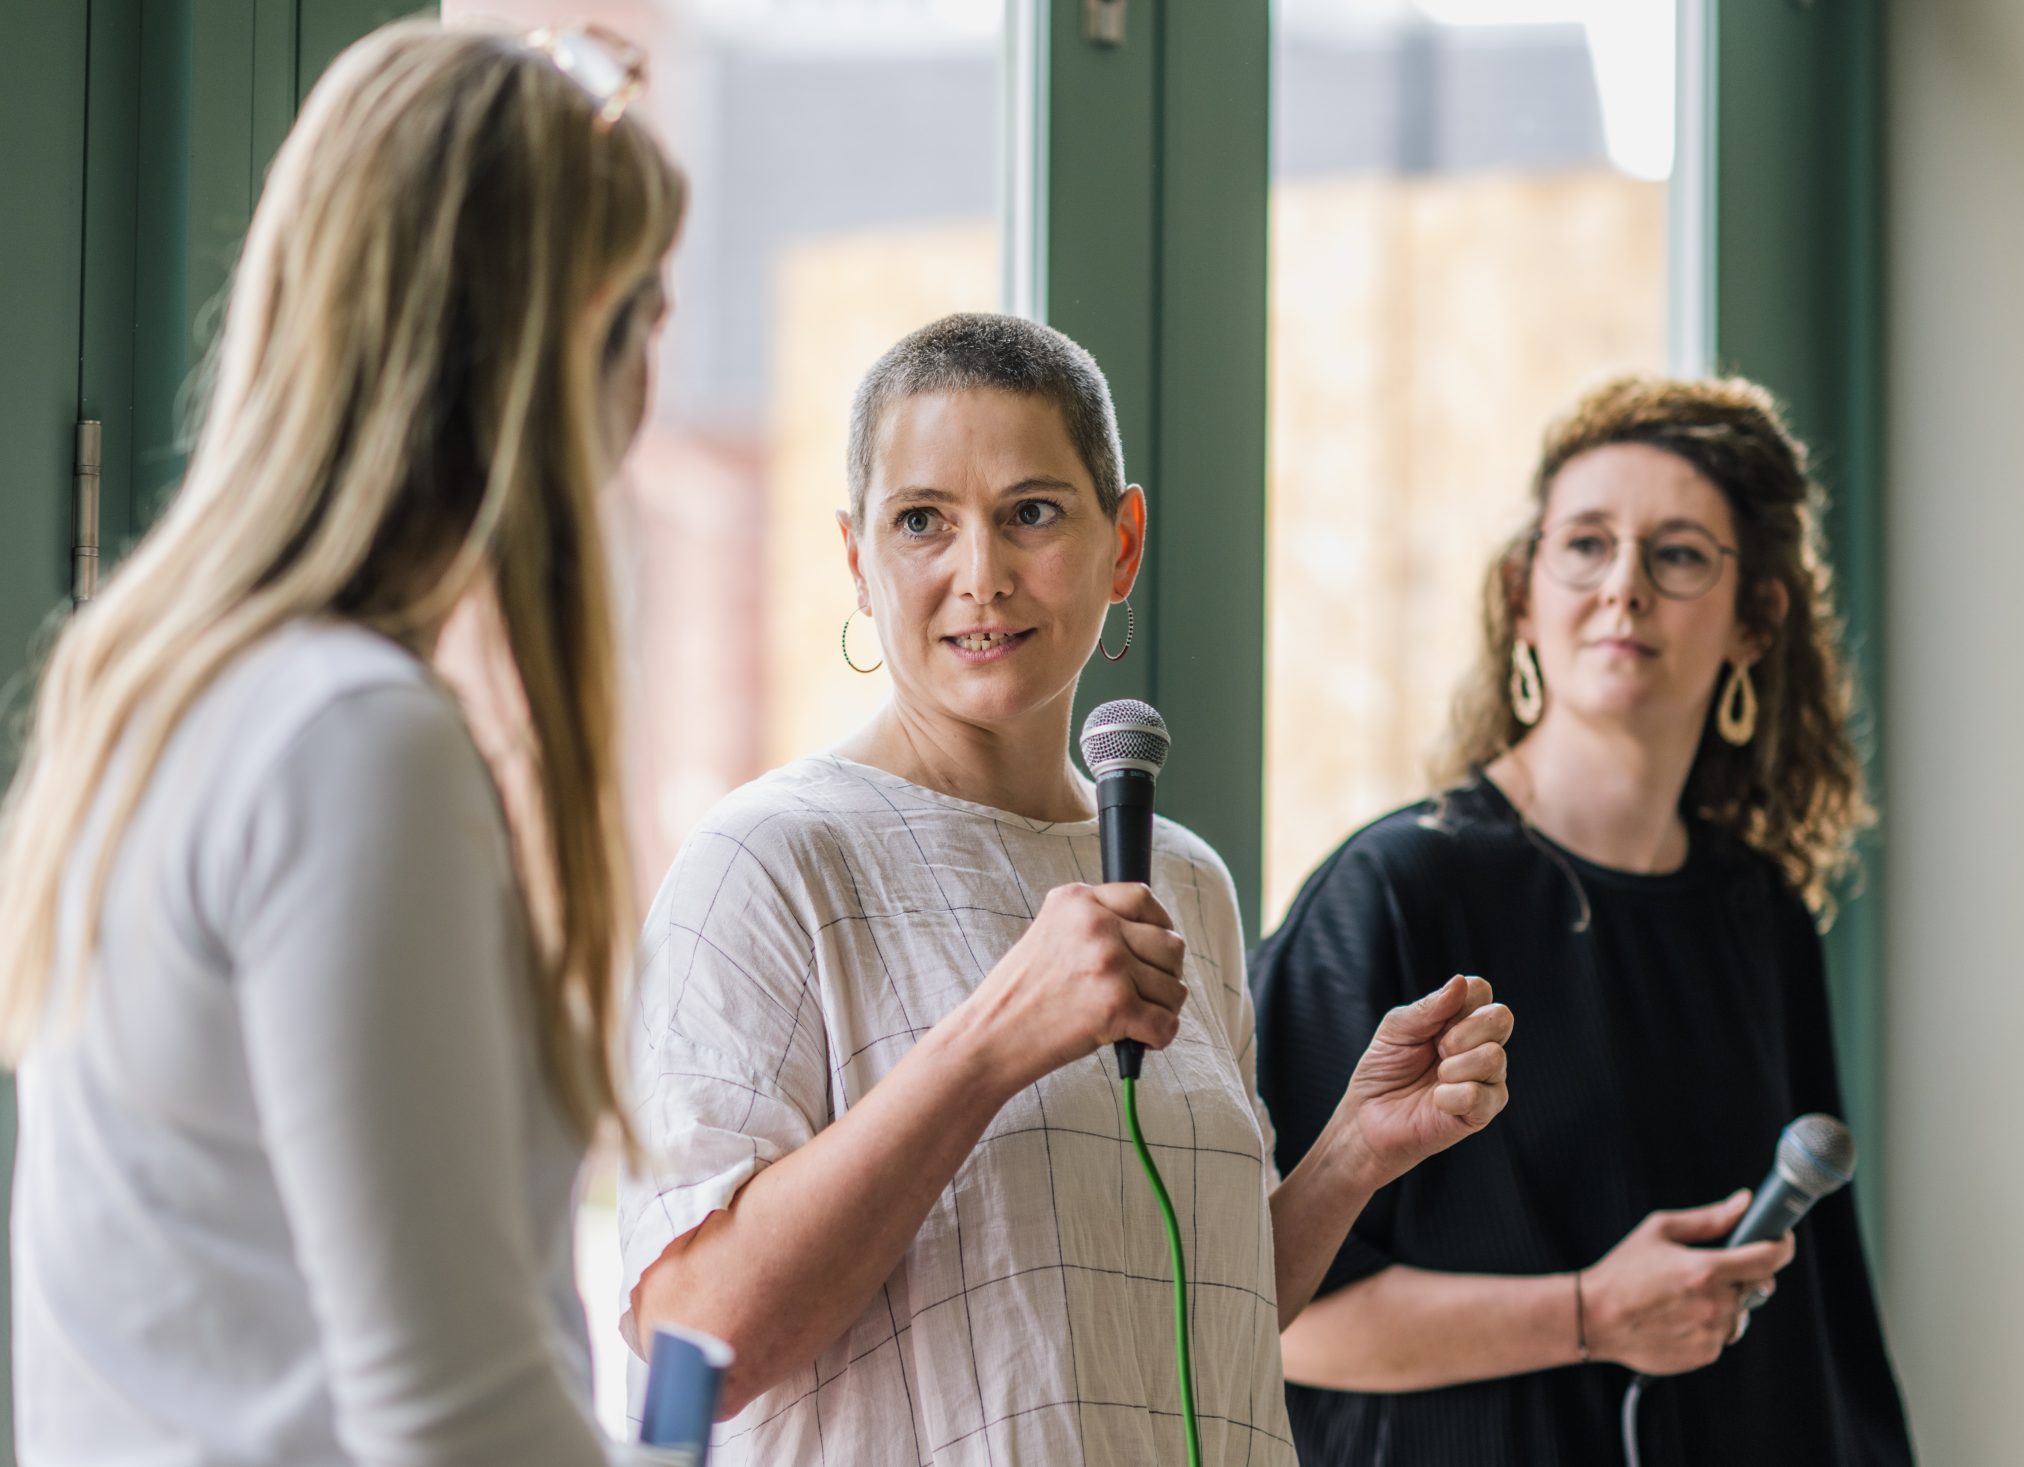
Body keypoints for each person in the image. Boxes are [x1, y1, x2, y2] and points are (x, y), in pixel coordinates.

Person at [617, 311, 1515, 1465]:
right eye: (921, 523)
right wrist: (992, 1039)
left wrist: (1351, 1156)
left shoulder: (1179, 877)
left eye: (1031, 513)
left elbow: (1180, 1328)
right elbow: (692, 1347)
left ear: (1121, 542)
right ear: (857, 560)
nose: (979, 574)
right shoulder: (770, 862)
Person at [0, 20, 684, 1465]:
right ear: (543, 358)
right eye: (643, 314)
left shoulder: (162, 699)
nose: (649, 386)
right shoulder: (352, 746)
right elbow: (455, 1424)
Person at [1252, 376, 1914, 1466]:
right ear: (1522, 597)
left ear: (1756, 621)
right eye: (1586, 545)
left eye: (1680, 554)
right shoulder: (1391, 892)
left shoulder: (1759, 913)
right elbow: (1263, 1310)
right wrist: (1591, 1313)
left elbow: (1818, 1318)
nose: (1624, 588)